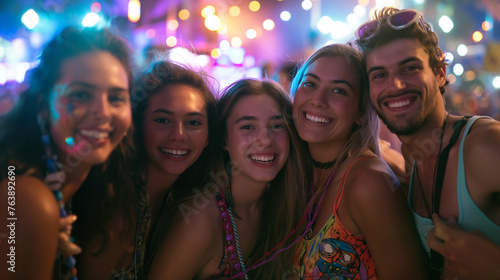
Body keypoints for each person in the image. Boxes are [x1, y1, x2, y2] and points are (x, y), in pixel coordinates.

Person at [356, 7, 500, 279]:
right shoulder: (406, 168)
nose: (394, 84)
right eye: (379, 75)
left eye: (409, 68)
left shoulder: (482, 145)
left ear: (440, 74)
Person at [0, 26, 134, 280]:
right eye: (81, 95)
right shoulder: (25, 196)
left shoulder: (99, 189)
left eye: (116, 98)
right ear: (42, 105)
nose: (103, 112)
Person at [147, 78, 311, 279]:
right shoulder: (200, 219)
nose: (266, 140)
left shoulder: (281, 203)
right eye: (247, 127)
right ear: (224, 139)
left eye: (277, 125)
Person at [290, 43, 428, 279]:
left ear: (361, 112)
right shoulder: (293, 173)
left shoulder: (368, 182)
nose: (318, 100)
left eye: (339, 91)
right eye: (310, 84)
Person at [73, 60, 217, 279]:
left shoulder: (185, 198)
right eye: (162, 120)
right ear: (137, 126)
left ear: (208, 136)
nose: (178, 134)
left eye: (193, 123)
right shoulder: (118, 206)